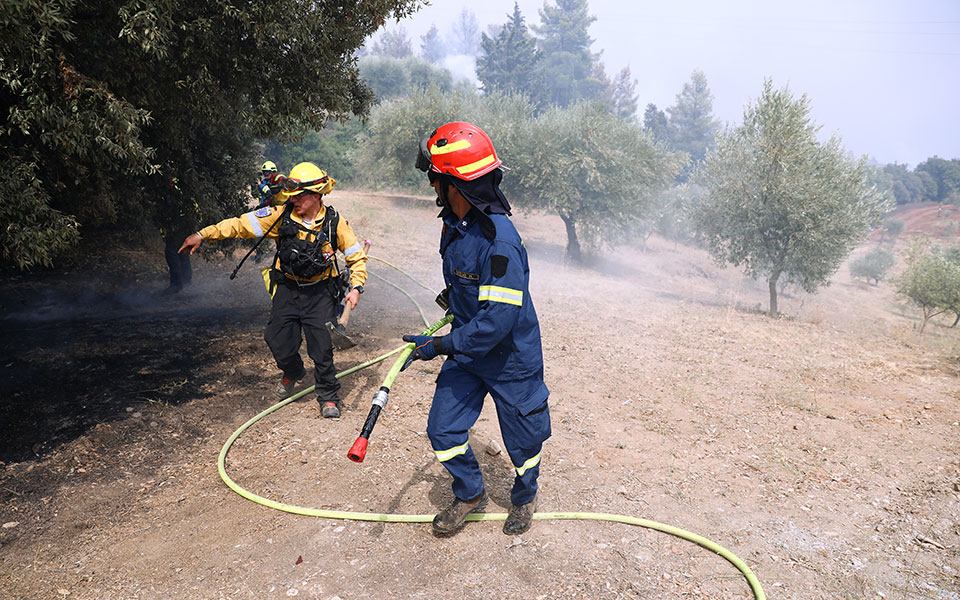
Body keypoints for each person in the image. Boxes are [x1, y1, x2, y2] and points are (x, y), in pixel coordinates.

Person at [402, 122, 551, 536]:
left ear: (453, 183)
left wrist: (440, 346)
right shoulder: (455, 224)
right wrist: (452, 307)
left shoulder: (500, 241)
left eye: (435, 178)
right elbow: (466, 285)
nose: (432, 186)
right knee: (443, 429)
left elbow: (495, 324)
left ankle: (524, 496)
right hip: (469, 351)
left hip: (508, 357)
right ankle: (470, 492)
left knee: (523, 442)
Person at [179, 162, 367, 418]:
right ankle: (293, 371)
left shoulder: (335, 223)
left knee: (321, 347)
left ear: (317, 195)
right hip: (288, 289)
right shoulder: (279, 216)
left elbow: (357, 258)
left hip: (321, 292)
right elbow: (239, 224)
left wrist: (356, 287)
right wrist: (203, 234)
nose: (294, 201)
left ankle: (328, 396)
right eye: (291, 196)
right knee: (276, 338)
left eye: (300, 196)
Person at [157, 166, 197, 295]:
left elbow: (174, 207)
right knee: (182, 251)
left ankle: (176, 285)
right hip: (183, 224)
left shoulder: (174, 187)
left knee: (172, 252)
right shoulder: (181, 184)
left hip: (178, 225)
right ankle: (186, 282)